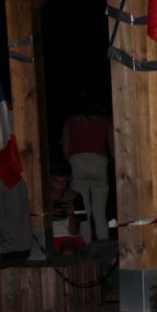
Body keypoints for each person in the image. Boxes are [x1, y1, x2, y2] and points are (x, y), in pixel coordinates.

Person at [61, 93, 113, 243]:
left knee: (83, 210)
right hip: (99, 162)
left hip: (77, 162)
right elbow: (112, 148)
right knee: (100, 212)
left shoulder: (70, 122)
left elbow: (66, 150)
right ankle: (103, 247)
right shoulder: (104, 122)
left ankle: (86, 247)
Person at [48, 160, 87, 255]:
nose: (61, 185)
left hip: (69, 239)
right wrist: (46, 216)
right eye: (56, 181)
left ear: (69, 179)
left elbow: (74, 232)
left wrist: (71, 215)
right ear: (49, 179)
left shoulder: (75, 196)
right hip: (45, 237)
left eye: (64, 181)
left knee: (68, 251)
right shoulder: (39, 198)